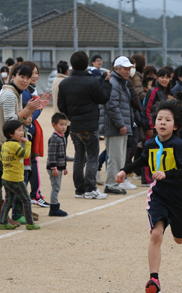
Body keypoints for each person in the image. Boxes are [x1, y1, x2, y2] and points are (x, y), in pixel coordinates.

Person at [115, 99, 182, 293]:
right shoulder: (151, 143)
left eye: (167, 120)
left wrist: (167, 174)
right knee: (156, 235)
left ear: (175, 125)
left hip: (178, 196)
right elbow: (144, 159)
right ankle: (154, 280)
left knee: (179, 240)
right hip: (158, 195)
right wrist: (125, 171)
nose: (162, 122)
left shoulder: (180, 145)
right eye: (159, 118)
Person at [0, 64, 49, 228]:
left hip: (4, 143)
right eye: (22, 77)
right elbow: (10, 120)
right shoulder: (10, 95)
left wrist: (28, 115)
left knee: (4, 182)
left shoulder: (15, 93)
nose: (25, 80)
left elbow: (16, 120)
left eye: (28, 77)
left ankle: (4, 216)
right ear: (13, 77)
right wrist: (27, 109)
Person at [58, 51, 112, 199]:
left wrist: (72, 116)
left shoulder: (64, 83)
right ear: (87, 64)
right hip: (90, 125)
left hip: (75, 125)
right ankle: (90, 188)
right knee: (92, 157)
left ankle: (79, 190)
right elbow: (103, 98)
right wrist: (106, 83)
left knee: (79, 157)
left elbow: (61, 106)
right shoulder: (92, 82)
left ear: (73, 65)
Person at [99, 56, 135, 195]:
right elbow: (111, 105)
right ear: (117, 69)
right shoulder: (115, 83)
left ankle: (114, 183)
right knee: (115, 157)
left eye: (129, 68)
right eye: (125, 68)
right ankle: (111, 184)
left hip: (119, 125)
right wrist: (121, 124)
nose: (127, 71)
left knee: (119, 156)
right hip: (114, 126)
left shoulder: (121, 82)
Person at [0, 120, 40, 230]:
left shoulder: (5, 145)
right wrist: (27, 143)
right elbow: (26, 154)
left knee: (8, 200)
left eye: (22, 130)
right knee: (26, 200)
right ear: (11, 134)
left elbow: (0, 158)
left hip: (6, 177)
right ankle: (30, 223)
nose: (22, 132)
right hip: (15, 178)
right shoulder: (15, 145)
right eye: (19, 130)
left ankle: (2, 222)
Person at [20, 61, 49, 208]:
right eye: (32, 73)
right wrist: (40, 107)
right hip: (25, 133)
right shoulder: (25, 92)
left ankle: (33, 195)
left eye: (37, 73)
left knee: (31, 164)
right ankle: (33, 196)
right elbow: (29, 116)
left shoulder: (31, 90)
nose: (35, 76)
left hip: (29, 131)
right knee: (29, 165)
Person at [142, 69, 171, 185]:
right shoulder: (154, 91)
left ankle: (156, 176)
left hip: (160, 127)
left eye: (167, 77)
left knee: (158, 152)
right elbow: (147, 109)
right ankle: (146, 179)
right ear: (157, 78)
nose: (164, 79)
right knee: (149, 151)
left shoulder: (165, 92)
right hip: (152, 127)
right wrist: (150, 126)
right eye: (162, 77)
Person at [47, 113, 69, 216]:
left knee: (57, 186)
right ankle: (54, 208)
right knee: (55, 187)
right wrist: (54, 168)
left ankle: (54, 206)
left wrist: (64, 167)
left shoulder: (62, 137)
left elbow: (62, 154)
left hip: (59, 167)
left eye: (65, 124)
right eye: (61, 124)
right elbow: (51, 154)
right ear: (54, 125)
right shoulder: (54, 138)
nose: (64, 127)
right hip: (53, 167)